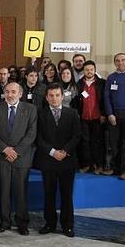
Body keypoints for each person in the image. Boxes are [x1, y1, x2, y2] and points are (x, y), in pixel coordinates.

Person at [0, 82, 37, 235]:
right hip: (2, 157)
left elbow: (31, 133)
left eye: (13, 92)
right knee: (4, 191)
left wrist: (16, 151)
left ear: (20, 94)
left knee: (21, 192)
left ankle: (22, 223)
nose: (10, 94)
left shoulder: (30, 109)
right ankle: (5, 222)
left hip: (21, 158)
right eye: (7, 91)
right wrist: (5, 149)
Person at [35, 83, 81, 238]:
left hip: (67, 161)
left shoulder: (72, 113)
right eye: (51, 96)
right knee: (49, 194)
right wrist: (53, 152)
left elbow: (76, 136)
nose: (54, 98)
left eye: (57, 95)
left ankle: (68, 225)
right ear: (47, 97)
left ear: (62, 96)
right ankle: (50, 223)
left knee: (67, 194)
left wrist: (65, 151)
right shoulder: (40, 114)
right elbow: (38, 138)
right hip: (48, 160)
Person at [75, 60, 107, 174]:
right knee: (85, 142)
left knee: (97, 142)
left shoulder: (102, 83)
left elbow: (105, 100)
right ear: (84, 71)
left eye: (91, 69)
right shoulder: (79, 84)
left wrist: (104, 114)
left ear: (95, 70)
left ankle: (98, 165)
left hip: (98, 118)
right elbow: (76, 101)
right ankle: (87, 165)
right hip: (83, 118)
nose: (89, 71)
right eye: (87, 70)